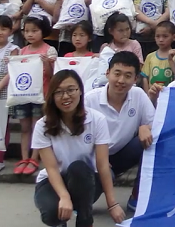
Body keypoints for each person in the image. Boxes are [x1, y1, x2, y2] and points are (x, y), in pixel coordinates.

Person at [32, 70, 126, 227]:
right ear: (52, 96)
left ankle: (85, 220)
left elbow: (103, 165)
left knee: (79, 168)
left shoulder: (96, 119)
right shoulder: (42, 125)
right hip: (53, 181)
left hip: (85, 180)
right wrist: (64, 197)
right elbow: (52, 168)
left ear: (80, 91)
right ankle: (60, 221)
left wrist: (112, 203)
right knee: (51, 213)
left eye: (71, 90)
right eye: (59, 92)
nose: (66, 96)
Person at [85, 51, 155, 213]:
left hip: (122, 154)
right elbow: (76, 136)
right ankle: (80, 200)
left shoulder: (138, 95)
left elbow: (155, 124)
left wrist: (145, 127)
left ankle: (138, 195)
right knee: (83, 202)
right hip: (93, 158)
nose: (121, 80)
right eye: (117, 74)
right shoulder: (90, 100)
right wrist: (96, 157)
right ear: (107, 73)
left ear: (135, 79)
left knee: (151, 141)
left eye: (128, 76)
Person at [14, 15, 58, 176]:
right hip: (23, 95)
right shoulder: (22, 51)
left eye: (34, 31)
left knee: (36, 127)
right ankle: (24, 158)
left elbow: (53, 75)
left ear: (43, 31)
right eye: (27, 31)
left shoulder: (49, 50)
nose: (30, 34)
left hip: (41, 95)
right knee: (25, 127)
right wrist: (11, 63)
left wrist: (46, 62)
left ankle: (34, 158)